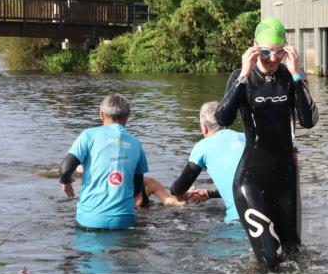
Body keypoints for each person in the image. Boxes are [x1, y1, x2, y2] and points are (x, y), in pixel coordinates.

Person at [215, 17, 318, 268]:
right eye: (265, 52)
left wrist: (297, 74)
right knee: (271, 262)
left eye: (279, 52)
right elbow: (222, 119)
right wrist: (244, 75)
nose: (272, 59)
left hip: (285, 179)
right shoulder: (242, 77)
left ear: (287, 49)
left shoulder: (290, 77)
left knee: (295, 258)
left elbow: (309, 120)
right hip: (252, 179)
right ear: (254, 48)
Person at [59, 94, 149, 230]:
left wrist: (65, 182)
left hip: (89, 221)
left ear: (101, 115)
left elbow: (65, 169)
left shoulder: (88, 135)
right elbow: (137, 183)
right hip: (124, 221)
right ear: (127, 117)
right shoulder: (136, 143)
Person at [166, 101, 246, 223]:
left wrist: (175, 191)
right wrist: (209, 194)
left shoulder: (203, 146)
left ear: (204, 127)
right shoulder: (245, 137)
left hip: (240, 220)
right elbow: (245, 184)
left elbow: (180, 188)